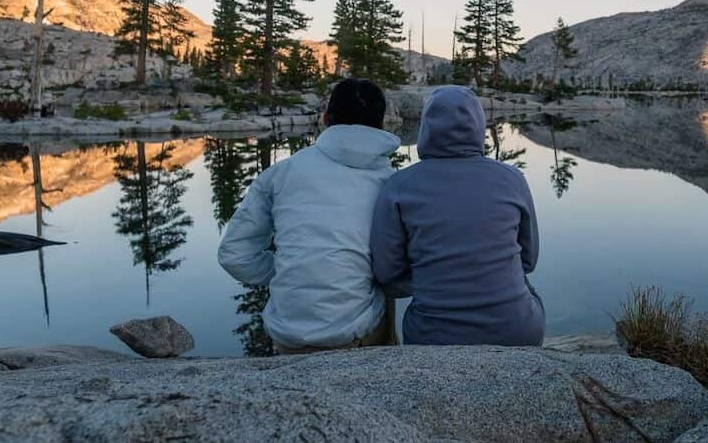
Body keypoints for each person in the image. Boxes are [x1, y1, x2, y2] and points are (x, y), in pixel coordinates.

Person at [217, 78, 400, 354]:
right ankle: (381, 367)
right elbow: (403, 271)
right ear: (382, 124)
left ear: (326, 119)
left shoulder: (281, 173)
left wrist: (288, 268)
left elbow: (235, 254)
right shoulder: (392, 182)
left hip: (286, 333)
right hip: (355, 332)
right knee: (386, 280)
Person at [370, 85, 545, 346]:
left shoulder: (399, 185)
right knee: (522, 282)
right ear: (478, 125)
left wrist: (433, 278)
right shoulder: (512, 179)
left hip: (432, 337)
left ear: (426, 127)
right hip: (517, 333)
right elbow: (528, 261)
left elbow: (387, 274)